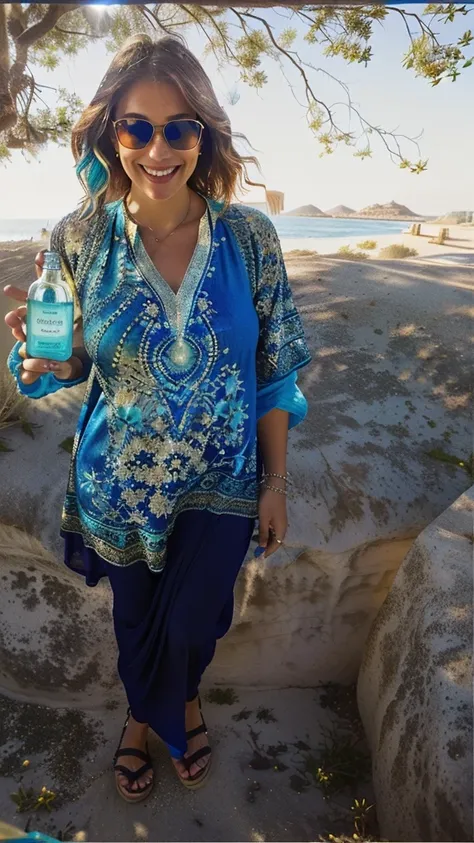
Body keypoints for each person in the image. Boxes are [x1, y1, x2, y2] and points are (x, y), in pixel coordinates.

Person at [3, 34, 311, 802]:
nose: (159, 148)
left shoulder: (250, 238)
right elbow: (75, 357)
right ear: (111, 132)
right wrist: (48, 364)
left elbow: (274, 373)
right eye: (138, 127)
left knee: (192, 622)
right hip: (120, 484)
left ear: (203, 135)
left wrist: (276, 480)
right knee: (136, 622)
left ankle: (170, 699)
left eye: (180, 128)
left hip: (224, 482)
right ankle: (152, 717)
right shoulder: (77, 239)